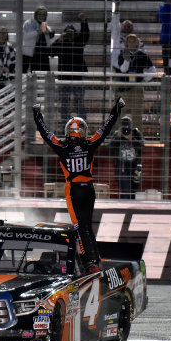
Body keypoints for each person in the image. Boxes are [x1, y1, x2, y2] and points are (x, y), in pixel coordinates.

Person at [32, 97, 125, 275]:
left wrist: (38, 116)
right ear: (82, 132)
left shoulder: (62, 147)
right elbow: (105, 128)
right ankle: (95, 259)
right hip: (89, 189)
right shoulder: (89, 145)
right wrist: (117, 108)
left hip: (73, 190)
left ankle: (89, 263)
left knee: (78, 227)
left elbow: (46, 134)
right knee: (87, 226)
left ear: (68, 132)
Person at [49, 13, 89, 125]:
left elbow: (85, 35)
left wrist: (84, 21)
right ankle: (65, 125)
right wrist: (59, 40)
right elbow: (50, 52)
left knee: (79, 103)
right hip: (64, 77)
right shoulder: (61, 44)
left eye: (72, 33)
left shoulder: (78, 43)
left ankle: (82, 126)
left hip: (77, 77)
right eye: (68, 34)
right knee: (65, 103)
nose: (70, 36)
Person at [116, 34, 156, 131]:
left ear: (137, 43)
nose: (131, 43)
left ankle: (137, 135)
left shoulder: (143, 55)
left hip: (137, 87)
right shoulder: (122, 54)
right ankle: (118, 134)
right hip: (124, 87)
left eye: (133, 41)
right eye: (129, 41)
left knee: (137, 113)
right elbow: (123, 70)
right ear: (126, 43)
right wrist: (127, 60)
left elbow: (152, 70)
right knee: (121, 112)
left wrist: (144, 79)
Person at [109, 116, 144, 199]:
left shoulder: (136, 133)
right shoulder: (117, 133)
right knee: (125, 191)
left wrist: (132, 139)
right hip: (122, 167)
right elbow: (110, 147)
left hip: (135, 167)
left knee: (135, 191)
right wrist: (118, 137)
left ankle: (133, 210)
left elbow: (141, 146)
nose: (126, 129)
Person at [110, 2, 144, 72]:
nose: (127, 27)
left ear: (132, 28)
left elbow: (142, 52)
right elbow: (115, 22)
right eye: (125, 25)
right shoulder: (116, 35)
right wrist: (116, 9)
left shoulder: (137, 40)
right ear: (121, 26)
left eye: (129, 26)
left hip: (132, 68)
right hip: (117, 67)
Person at [22, 6, 55, 72]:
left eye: (43, 15)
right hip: (30, 54)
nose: (41, 16)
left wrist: (48, 33)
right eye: (39, 14)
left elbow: (50, 41)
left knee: (45, 75)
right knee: (29, 75)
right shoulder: (28, 23)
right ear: (36, 15)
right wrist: (37, 32)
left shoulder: (46, 26)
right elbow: (24, 36)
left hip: (43, 55)